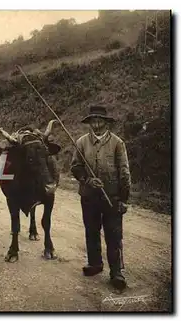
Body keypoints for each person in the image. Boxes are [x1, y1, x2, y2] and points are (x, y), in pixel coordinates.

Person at [70, 105, 131, 291]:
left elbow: (124, 172)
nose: (96, 125)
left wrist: (123, 199)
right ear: (89, 123)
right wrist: (87, 180)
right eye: (93, 121)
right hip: (89, 197)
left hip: (112, 197)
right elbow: (75, 166)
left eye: (100, 121)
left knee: (113, 235)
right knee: (91, 231)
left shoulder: (117, 143)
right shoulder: (81, 142)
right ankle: (95, 264)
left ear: (106, 123)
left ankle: (116, 272)